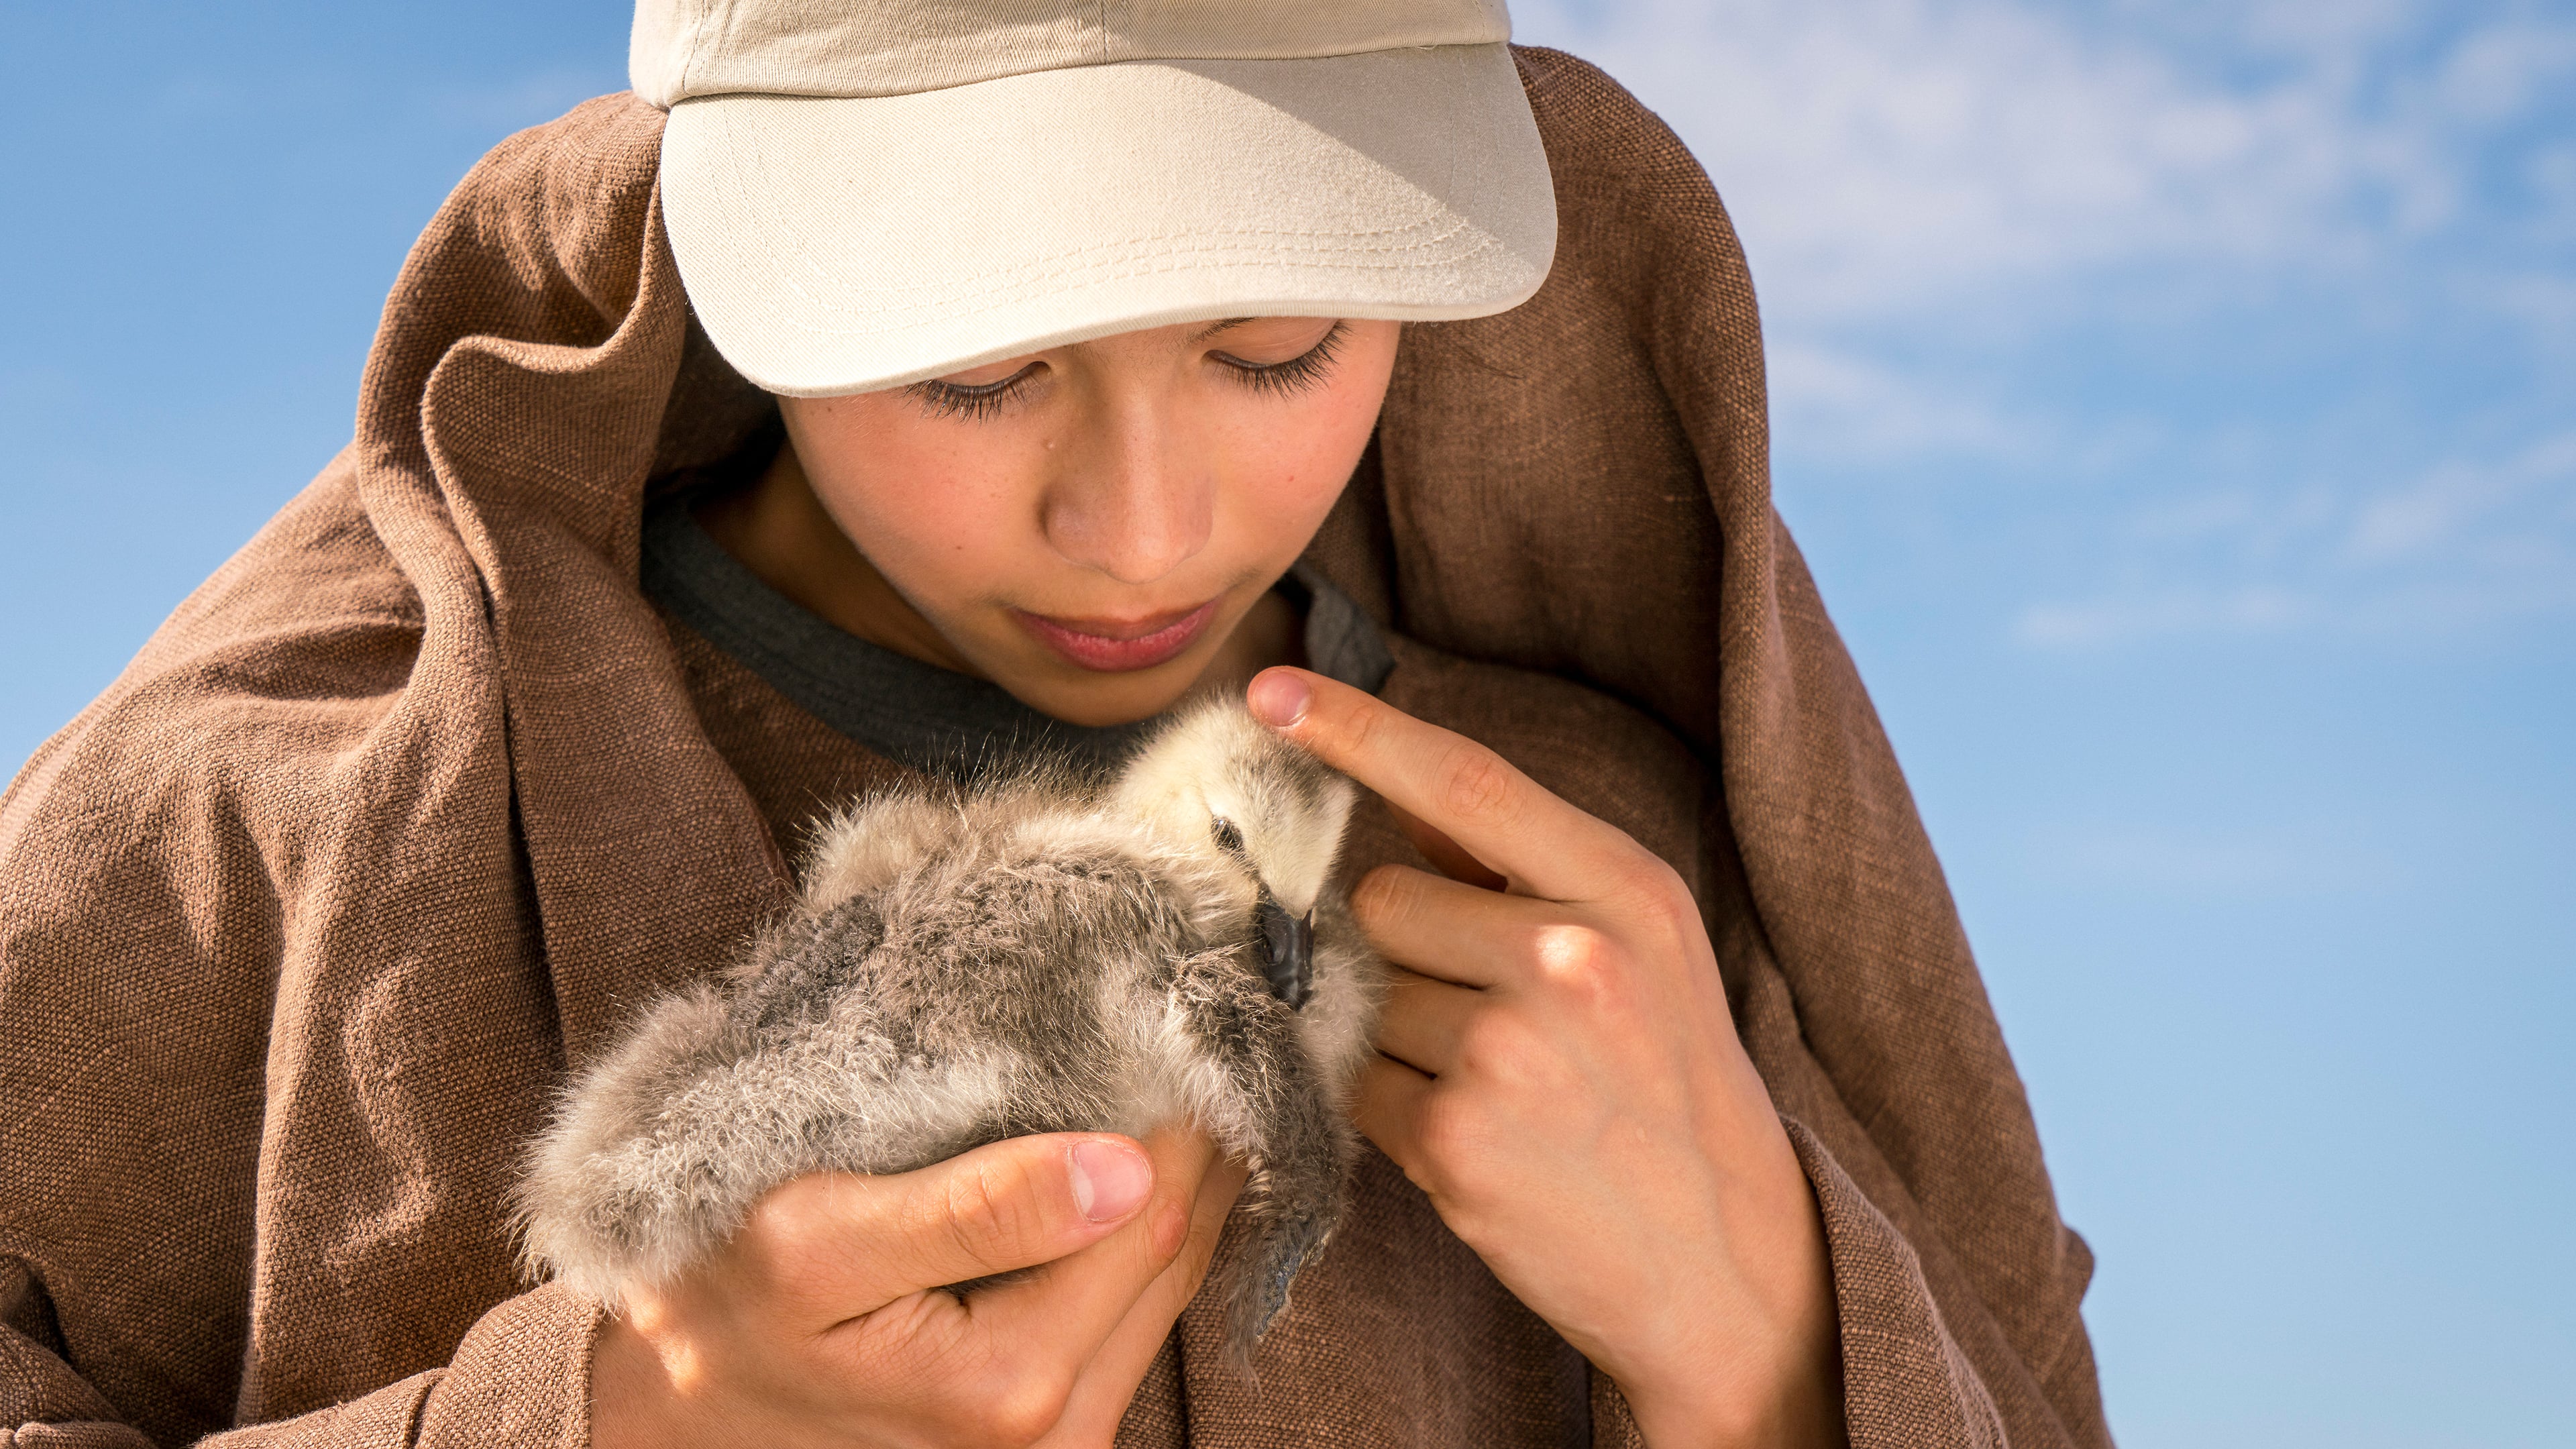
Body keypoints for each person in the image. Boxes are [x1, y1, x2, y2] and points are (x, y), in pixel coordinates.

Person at [0, 3, 2112, 1448]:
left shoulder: (1623, 866)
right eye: (978, 372)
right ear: (731, 257)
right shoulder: (271, 817)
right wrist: (602, 1420)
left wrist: (1765, 1360)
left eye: (1276, 345)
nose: (1140, 531)